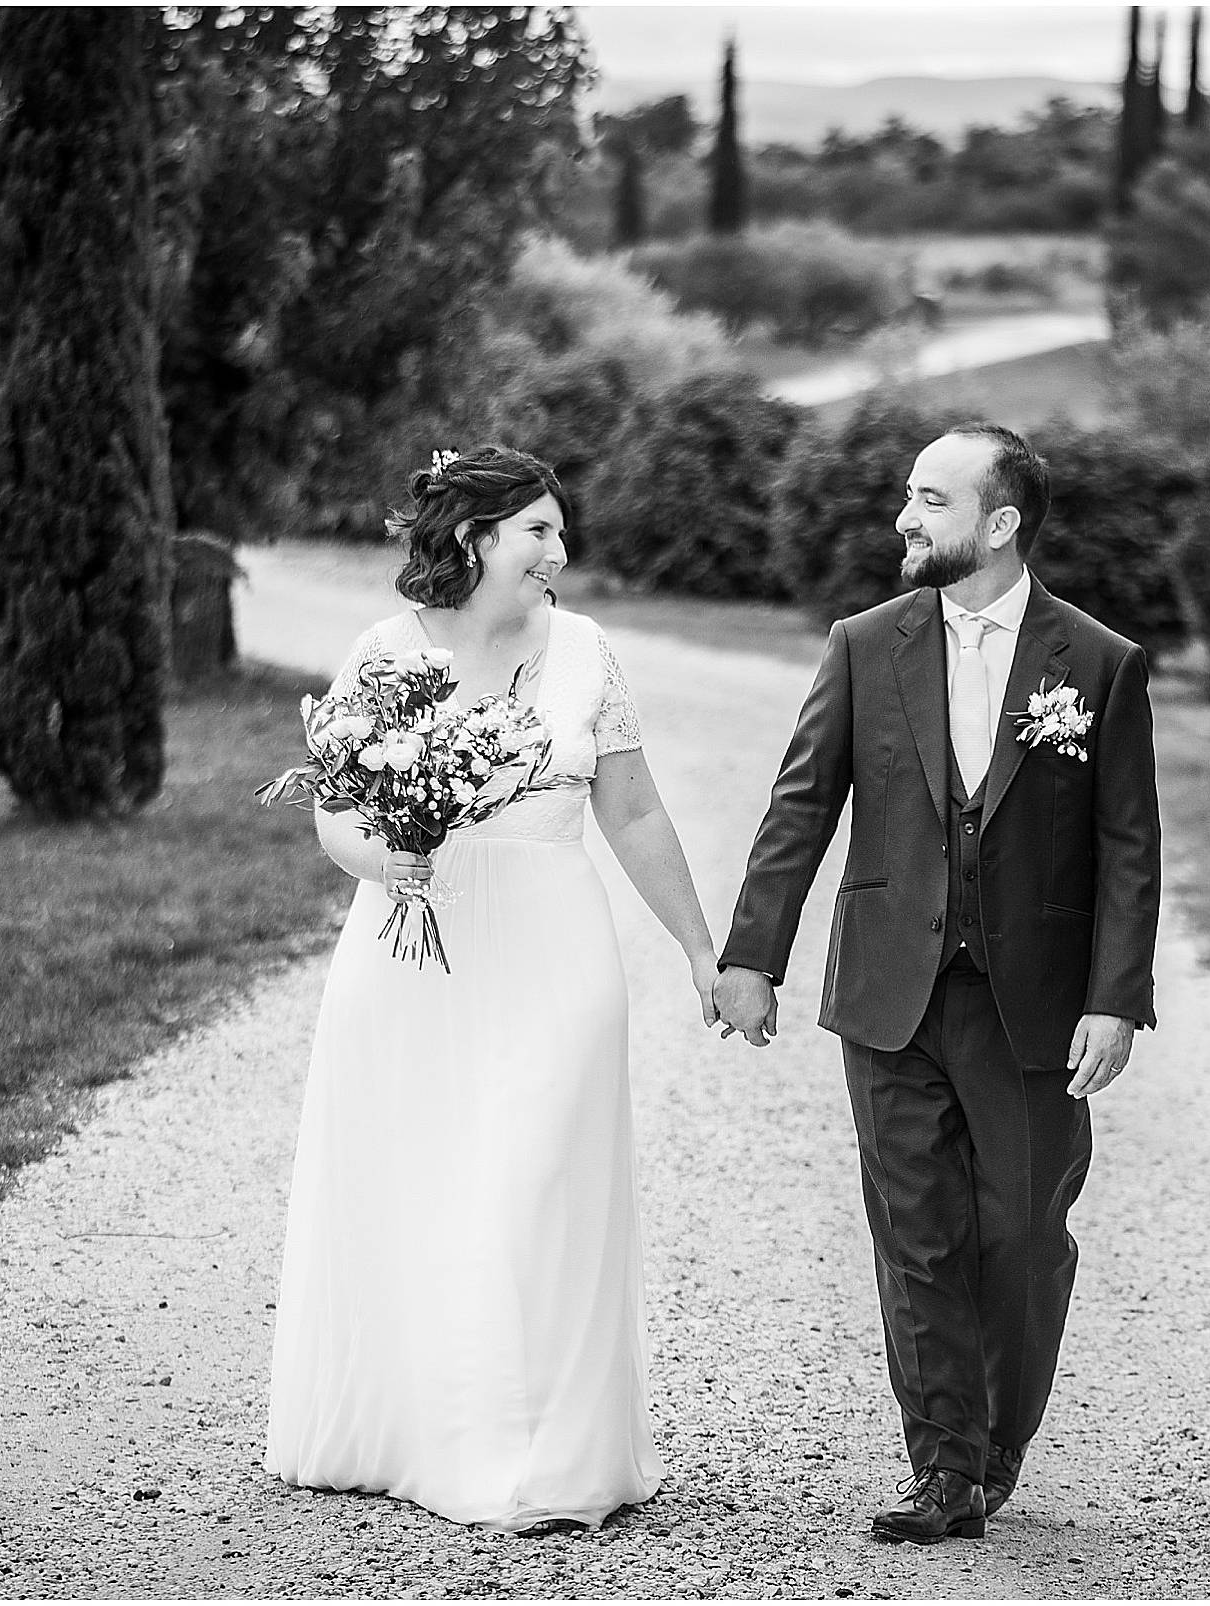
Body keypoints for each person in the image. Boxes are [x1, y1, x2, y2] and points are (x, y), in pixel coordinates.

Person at [715, 422, 1161, 1544]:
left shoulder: (1099, 661)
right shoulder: (866, 643)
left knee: (1019, 1234)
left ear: (1000, 525)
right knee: (916, 1235)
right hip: (889, 992)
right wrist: (750, 957)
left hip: (1036, 1006)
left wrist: (1116, 996)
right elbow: (800, 807)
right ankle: (944, 1467)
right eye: (906, 495)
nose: (903, 520)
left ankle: (1000, 1436)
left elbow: (1129, 847)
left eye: (930, 500)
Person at [264, 445, 722, 1535]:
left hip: (555, 949)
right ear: (474, 539)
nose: (559, 554)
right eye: (539, 534)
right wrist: (389, 862)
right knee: (421, 1178)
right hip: (406, 947)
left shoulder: (587, 651)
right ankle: (416, 1428)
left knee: (533, 1174)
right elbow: (337, 809)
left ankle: (532, 1449)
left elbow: (637, 813)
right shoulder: (385, 650)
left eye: (560, 534)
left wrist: (703, 947)